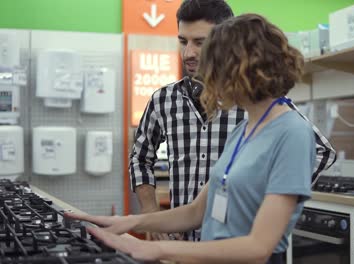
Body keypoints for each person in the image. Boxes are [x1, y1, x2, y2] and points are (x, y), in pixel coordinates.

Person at [67, 13, 323, 264]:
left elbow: (258, 247)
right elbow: (197, 211)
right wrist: (129, 222)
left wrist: (154, 250)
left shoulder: (292, 133)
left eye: (214, 70)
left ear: (243, 70)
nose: (208, 82)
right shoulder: (244, 130)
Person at [130, 0, 336, 242]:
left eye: (200, 42)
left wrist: (268, 199)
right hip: (187, 243)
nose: (188, 53)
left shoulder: (267, 111)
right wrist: (146, 215)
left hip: (236, 244)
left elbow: (321, 151)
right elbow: (144, 161)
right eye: (183, 41)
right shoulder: (167, 101)